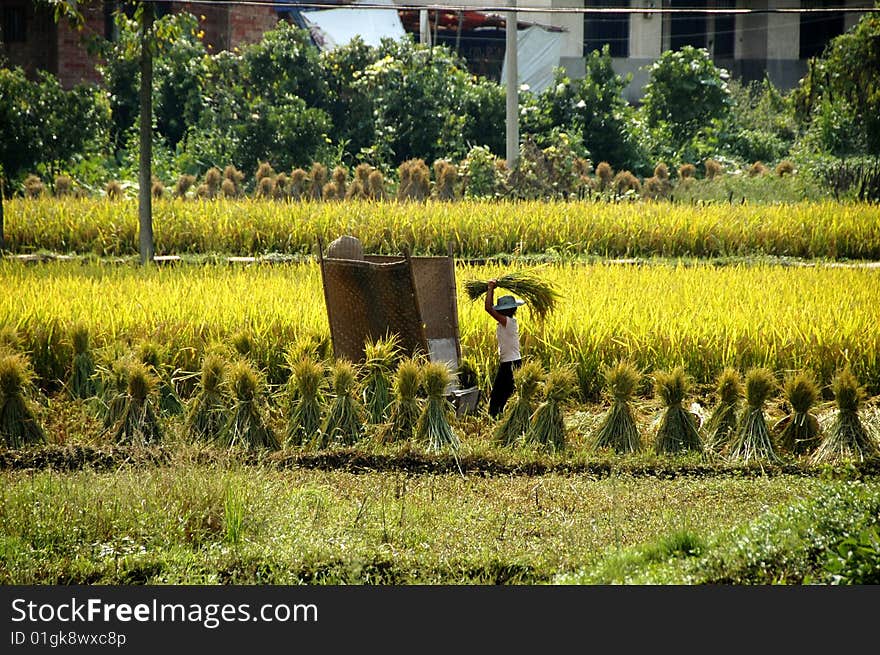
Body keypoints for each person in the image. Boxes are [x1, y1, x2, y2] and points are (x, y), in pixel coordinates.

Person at [484, 279, 525, 418]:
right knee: (506, 394)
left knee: (497, 395)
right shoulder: (507, 322)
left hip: (510, 364)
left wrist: (490, 288)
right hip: (512, 362)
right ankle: (504, 418)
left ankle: (496, 418)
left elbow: (488, 308)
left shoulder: (508, 322)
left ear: (505, 311)